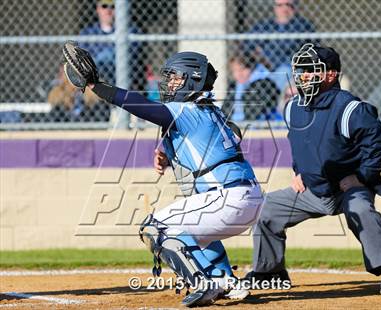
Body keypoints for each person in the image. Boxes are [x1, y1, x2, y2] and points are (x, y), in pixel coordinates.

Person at [62, 43, 263, 307]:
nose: (169, 83)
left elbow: (139, 105)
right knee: (192, 231)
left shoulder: (187, 109)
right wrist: (168, 151)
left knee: (154, 227)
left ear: (193, 80)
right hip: (248, 198)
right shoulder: (210, 110)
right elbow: (231, 133)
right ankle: (225, 279)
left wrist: (96, 86)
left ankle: (205, 282)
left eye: (176, 78)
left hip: (229, 198)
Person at [245, 43, 381, 295]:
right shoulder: (292, 107)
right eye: (301, 70)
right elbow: (299, 143)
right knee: (267, 208)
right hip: (312, 188)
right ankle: (270, 271)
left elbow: (379, 143)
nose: (303, 76)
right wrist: (299, 171)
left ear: (331, 74)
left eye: (311, 70)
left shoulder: (349, 107)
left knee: (361, 210)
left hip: (347, 188)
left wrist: (362, 176)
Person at [246, 0, 316, 84]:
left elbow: (307, 49)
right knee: (245, 75)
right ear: (274, 7)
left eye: (288, 5)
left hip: (289, 67)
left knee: (284, 72)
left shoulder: (303, 25)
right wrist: (262, 59)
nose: (284, 9)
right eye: (280, 5)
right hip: (264, 66)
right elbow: (248, 46)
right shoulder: (265, 25)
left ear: (296, 7)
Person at [79, 0, 145, 89]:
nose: (108, 10)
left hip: (119, 80)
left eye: (113, 6)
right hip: (94, 79)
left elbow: (128, 57)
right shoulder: (87, 33)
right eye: (104, 6)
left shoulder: (131, 31)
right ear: (98, 9)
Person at [222, 51, 281, 121]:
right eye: (235, 70)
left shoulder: (263, 84)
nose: (239, 74)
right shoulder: (234, 86)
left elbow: (253, 114)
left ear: (252, 67)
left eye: (242, 69)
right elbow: (224, 111)